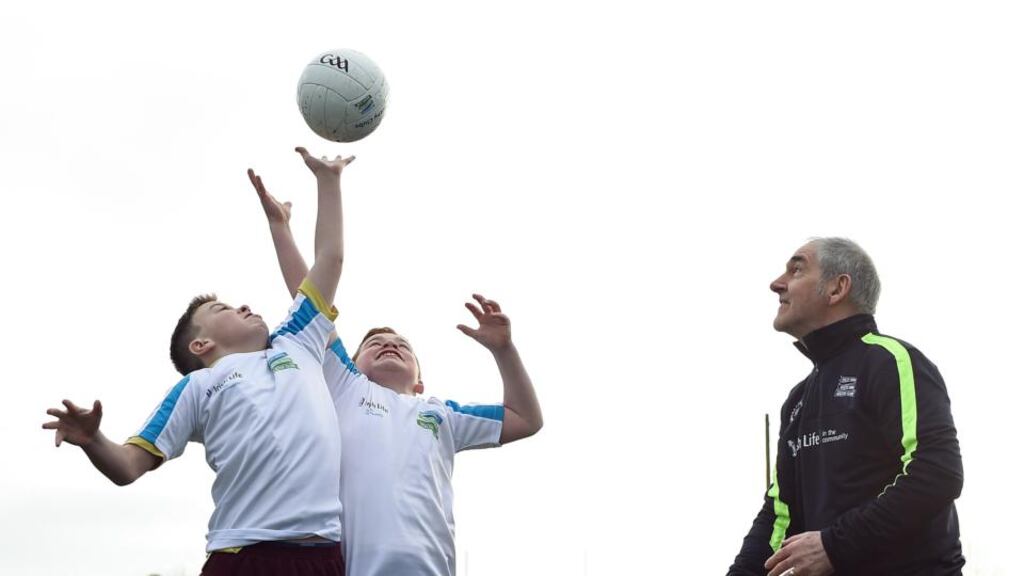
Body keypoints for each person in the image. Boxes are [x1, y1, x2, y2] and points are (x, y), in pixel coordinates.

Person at [42, 147, 355, 576]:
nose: (243, 305)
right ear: (201, 345)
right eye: (223, 309)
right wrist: (93, 439)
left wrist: (328, 181)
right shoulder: (196, 388)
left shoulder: (297, 342)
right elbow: (128, 468)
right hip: (243, 556)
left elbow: (330, 260)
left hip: (323, 557)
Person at [250, 173, 543, 575]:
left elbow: (527, 419)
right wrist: (280, 227)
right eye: (375, 344)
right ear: (350, 363)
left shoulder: (443, 415)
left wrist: (504, 351)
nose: (390, 345)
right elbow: (310, 295)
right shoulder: (345, 387)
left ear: (420, 381)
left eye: (403, 345)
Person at [728, 237, 965, 576]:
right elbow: (779, 515)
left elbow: (937, 472)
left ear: (837, 288)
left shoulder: (891, 361)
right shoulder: (797, 400)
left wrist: (834, 544)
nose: (776, 284)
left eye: (796, 269)